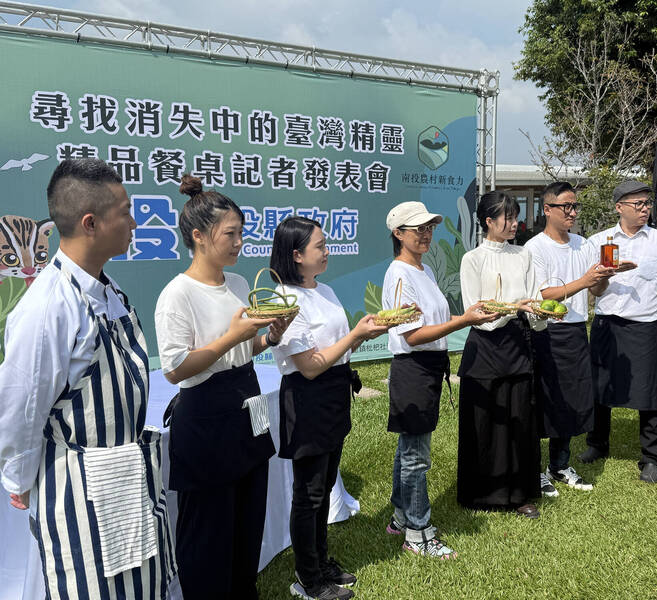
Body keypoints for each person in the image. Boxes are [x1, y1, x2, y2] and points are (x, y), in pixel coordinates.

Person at [0, 159, 176, 599]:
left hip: (126, 480)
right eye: (126, 212)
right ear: (91, 223)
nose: (135, 223)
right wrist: (17, 480)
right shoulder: (47, 308)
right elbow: (21, 408)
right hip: (80, 491)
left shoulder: (107, 290)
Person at [154, 175, 287, 599]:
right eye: (230, 234)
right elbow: (175, 369)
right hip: (205, 417)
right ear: (198, 236)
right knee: (207, 536)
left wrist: (271, 337)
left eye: (241, 233)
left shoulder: (240, 285)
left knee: (247, 524)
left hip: (249, 405)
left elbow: (245, 349)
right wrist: (232, 336)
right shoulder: (178, 294)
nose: (239, 243)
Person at [270, 216, 387, 600]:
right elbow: (309, 365)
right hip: (308, 398)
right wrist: (356, 334)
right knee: (309, 493)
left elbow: (336, 350)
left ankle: (321, 561)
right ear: (297, 255)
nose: (326, 251)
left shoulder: (326, 290)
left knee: (324, 483)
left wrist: (362, 333)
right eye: (319, 246)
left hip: (334, 393)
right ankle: (308, 578)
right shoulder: (283, 300)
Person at [382, 201, 496, 559]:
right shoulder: (400, 274)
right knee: (417, 456)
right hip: (414, 369)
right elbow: (412, 335)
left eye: (430, 226)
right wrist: (464, 320)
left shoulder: (424, 270)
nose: (427, 234)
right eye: (419, 229)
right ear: (398, 234)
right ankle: (418, 531)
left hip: (427, 368)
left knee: (409, 448)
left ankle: (401, 517)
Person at [580, 181, 657, 484]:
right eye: (638, 204)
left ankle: (652, 458)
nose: (645, 208)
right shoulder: (598, 241)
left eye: (647, 203)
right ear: (619, 207)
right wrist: (604, 277)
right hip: (608, 323)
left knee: (649, 392)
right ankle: (597, 444)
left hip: (645, 325)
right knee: (600, 387)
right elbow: (593, 289)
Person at [524, 182, 613, 497]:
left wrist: (602, 279)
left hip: (576, 328)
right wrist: (585, 280)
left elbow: (595, 290)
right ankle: (533, 470)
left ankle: (559, 464)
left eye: (575, 206)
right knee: (543, 399)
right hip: (546, 331)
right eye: (566, 207)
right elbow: (543, 294)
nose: (572, 212)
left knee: (572, 398)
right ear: (547, 209)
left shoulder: (584, 244)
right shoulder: (535, 248)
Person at [457, 191, 542, 517]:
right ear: (488, 222)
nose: (513, 223)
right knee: (486, 422)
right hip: (485, 347)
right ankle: (482, 493)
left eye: (515, 216)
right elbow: (475, 311)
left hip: (518, 344)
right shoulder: (473, 259)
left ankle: (520, 494)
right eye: (506, 217)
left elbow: (533, 299)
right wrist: (513, 307)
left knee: (519, 419)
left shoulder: (523, 255)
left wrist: (541, 313)